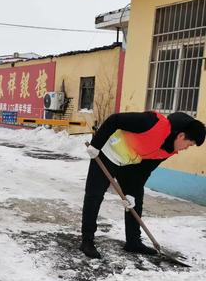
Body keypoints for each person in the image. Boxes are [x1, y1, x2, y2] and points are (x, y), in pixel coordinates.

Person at [80, 110, 205, 259]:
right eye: (189, 144)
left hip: (127, 163)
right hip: (105, 154)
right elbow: (115, 120)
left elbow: (145, 170)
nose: (186, 148)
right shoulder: (152, 122)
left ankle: (133, 242)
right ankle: (87, 241)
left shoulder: (168, 149)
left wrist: (132, 193)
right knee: (94, 196)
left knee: (136, 199)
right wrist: (96, 145)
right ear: (181, 136)